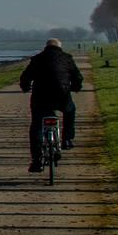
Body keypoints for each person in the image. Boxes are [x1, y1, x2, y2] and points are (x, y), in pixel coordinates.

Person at [18, 37, 84, 171]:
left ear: (46, 47)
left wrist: (25, 87)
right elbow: (77, 76)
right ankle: (67, 139)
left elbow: (25, 77)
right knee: (70, 110)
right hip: (62, 95)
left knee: (36, 125)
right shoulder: (67, 58)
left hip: (41, 97)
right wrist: (76, 87)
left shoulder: (37, 59)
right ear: (60, 47)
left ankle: (37, 160)